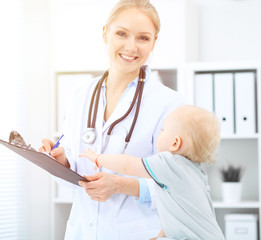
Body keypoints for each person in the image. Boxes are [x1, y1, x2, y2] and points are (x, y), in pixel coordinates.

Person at [39, 0, 187, 239]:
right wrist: (63, 161)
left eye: (143, 38)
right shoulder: (81, 95)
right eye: (121, 34)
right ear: (105, 33)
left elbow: (180, 187)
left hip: (138, 232)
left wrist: (120, 185)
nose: (131, 47)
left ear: (154, 42)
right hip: (81, 231)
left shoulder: (171, 105)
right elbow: (74, 181)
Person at [80, 105, 225, 240]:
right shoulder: (196, 171)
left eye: (163, 129)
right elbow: (180, 215)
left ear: (175, 143)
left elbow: (128, 165)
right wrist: (160, 235)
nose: (160, 132)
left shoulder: (169, 162)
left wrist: (98, 158)